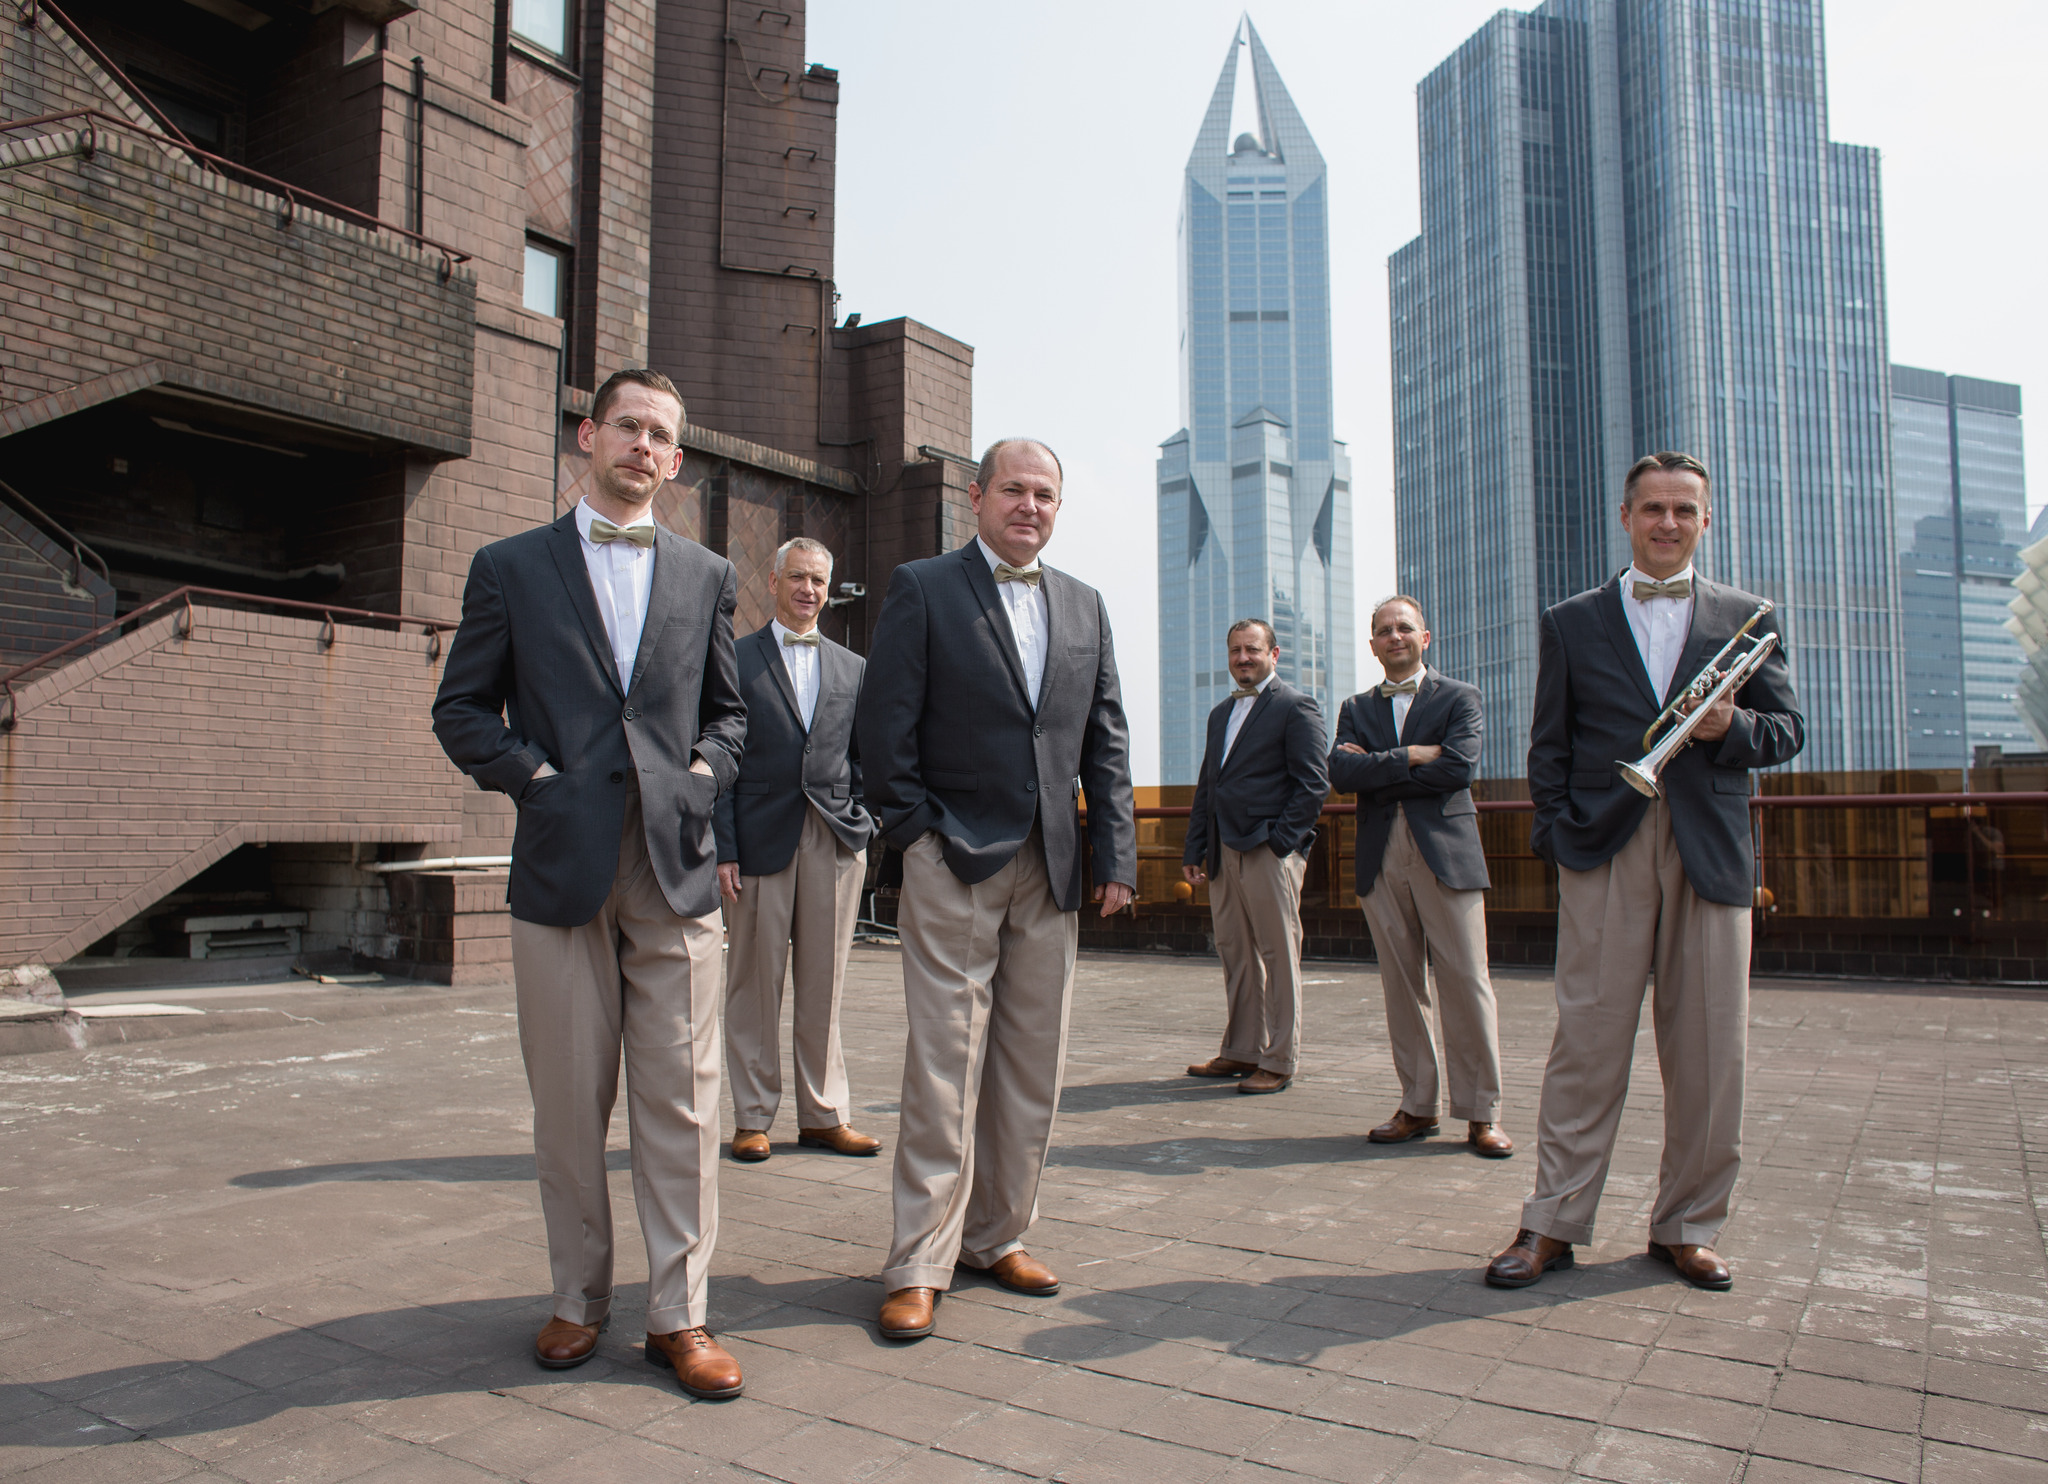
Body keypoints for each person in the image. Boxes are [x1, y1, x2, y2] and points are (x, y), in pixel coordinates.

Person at [431, 368, 749, 1398]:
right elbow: (462, 709)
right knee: (569, 1104)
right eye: (627, 426)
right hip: (561, 863)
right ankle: (577, 1296)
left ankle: (679, 1315)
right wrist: (534, 778)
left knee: (684, 1105)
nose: (642, 446)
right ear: (587, 435)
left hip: (674, 867)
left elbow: (730, 714)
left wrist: (702, 773)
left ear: (676, 460)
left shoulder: (707, 573)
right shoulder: (509, 567)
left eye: (660, 435)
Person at [1486, 451, 1803, 1294]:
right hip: (1606, 843)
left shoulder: (1749, 618)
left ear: (1706, 521)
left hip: (1711, 850)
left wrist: (1731, 728)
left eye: (1684, 510)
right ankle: (1552, 1220)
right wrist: (1559, 837)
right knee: (1586, 1042)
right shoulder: (1571, 619)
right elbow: (1549, 744)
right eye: (1654, 508)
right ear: (1626, 517)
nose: (1668, 523)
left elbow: (1787, 730)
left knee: (1710, 1051)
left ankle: (1688, 1225)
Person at [855, 437, 1136, 1342]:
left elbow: (1106, 738)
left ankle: (997, 1235)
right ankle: (918, 1261)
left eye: (1045, 494)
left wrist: (1117, 857)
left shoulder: (1086, 604)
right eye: (1013, 490)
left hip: (1052, 866)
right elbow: (883, 728)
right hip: (953, 860)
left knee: (1031, 1063)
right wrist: (917, 836)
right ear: (976, 498)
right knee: (944, 1064)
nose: (1029, 506)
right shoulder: (924, 588)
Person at [715, 536, 880, 1164]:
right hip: (758, 842)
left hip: (834, 841)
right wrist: (723, 847)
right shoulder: (735, 659)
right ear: (773, 581)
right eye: (797, 578)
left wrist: (864, 821)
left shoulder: (854, 668)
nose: (808, 590)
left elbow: (868, 756)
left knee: (825, 987)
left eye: (818, 581)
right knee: (753, 987)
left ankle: (824, 1115)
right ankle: (752, 1117)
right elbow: (719, 758)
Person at [1329, 597, 1509, 1156]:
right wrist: (1410, 755)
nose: (1395, 637)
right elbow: (1341, 774)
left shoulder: (1460, 697)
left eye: (1404, 627)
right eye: (1384, 630)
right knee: (1401, 987)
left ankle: (1482, 1113)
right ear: (1373, 645)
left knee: (1467, 981)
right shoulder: (1356, 707)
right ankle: (1417, 1104)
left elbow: (1458, 768)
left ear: (1424, 637)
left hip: (1446, 855)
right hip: (1381, 855)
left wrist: (1379, 766)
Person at [1180, 619, 1329, 1094]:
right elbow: (1209, 786)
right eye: (1235, 650)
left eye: (1253, 649)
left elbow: (1313, 785)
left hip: (1267, 851)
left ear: (1274, 654)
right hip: (1222, 850)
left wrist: (1281, 844)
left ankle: (1280, 1059)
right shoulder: (1220, 713)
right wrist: (1195, 846)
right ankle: (1243, 1050)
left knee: (1278, 956)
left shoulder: (1295, 706)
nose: (1243, 658)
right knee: (1236, 954)